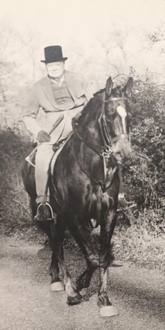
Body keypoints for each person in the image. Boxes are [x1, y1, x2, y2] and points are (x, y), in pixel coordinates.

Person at [22, 45, 132, 221]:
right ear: (46, 66)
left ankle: (119, 196)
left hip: (81, 125)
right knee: (42, 157)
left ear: (63, 63)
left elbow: (95, 100)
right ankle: (43, 203)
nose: (54, 67)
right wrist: (38, 131)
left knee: (109, 151)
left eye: (57, 63)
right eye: (50, 65)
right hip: (53, 130)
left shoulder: (79, 79)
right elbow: (28, 115)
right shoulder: (38, 88)